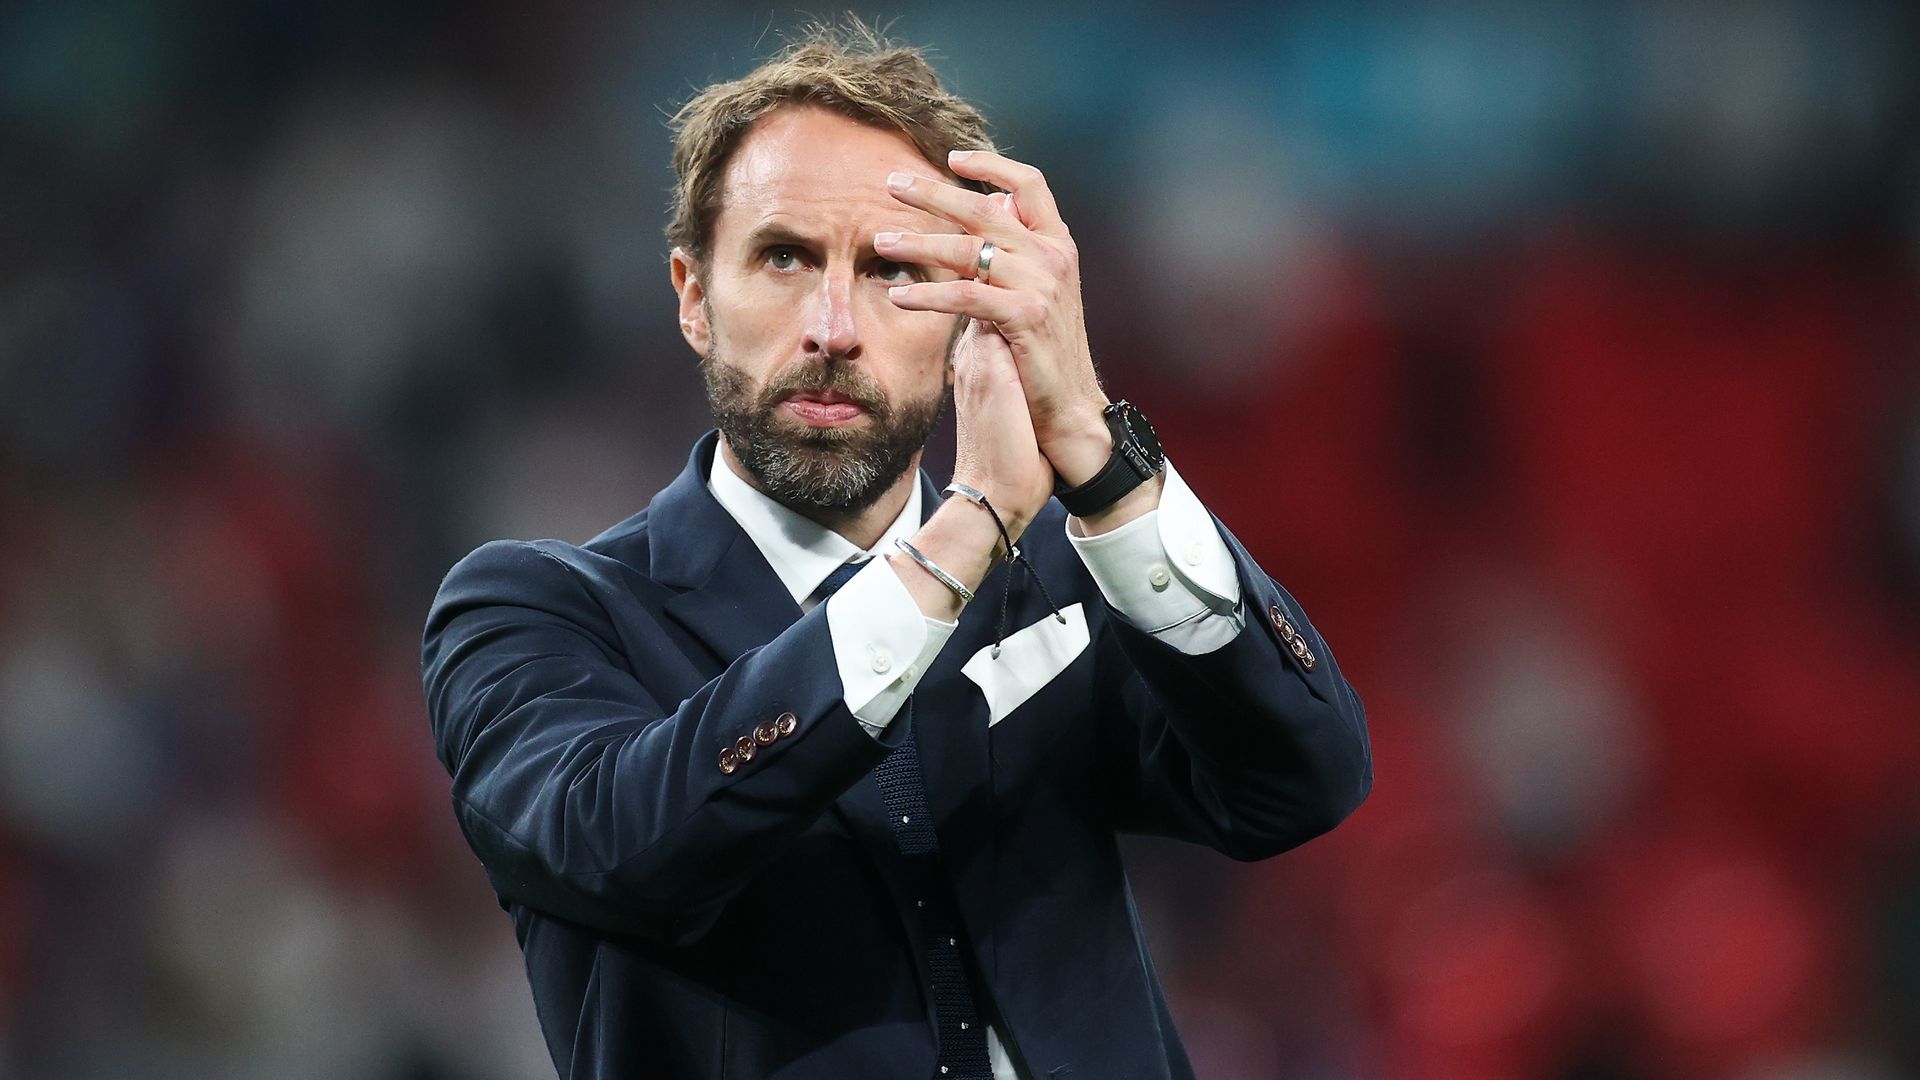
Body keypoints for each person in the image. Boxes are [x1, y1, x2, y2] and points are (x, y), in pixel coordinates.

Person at [421, 22, 1370, 1080]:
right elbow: (622, 848)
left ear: (978, 310)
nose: (833, 324)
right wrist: (965, 532)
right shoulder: (536, 611)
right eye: (785, 258)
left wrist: (1099, 455)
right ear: (694, 297)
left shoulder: (1067, 567)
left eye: (894, 270)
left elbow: (1303, 778)